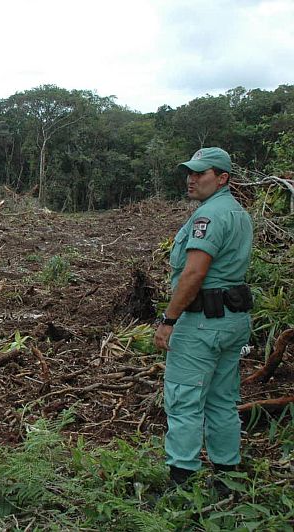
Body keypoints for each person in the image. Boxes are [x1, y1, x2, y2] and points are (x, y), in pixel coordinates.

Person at [153, 147, 253, 486]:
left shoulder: (207, 217)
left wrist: (168, 320)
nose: (191, 179)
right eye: (190, 173)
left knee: (184, 400)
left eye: (201, 173)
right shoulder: (237, 212)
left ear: (222, 178)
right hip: (232, 320)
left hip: (202, 325)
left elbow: (193, 275)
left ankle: (180, 482)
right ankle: (227, 477)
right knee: (223, 399)